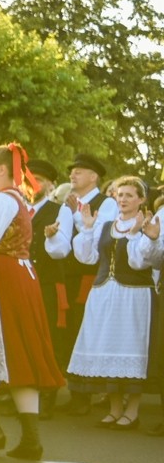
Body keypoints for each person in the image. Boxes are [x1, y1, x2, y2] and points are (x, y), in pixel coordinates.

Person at [0, 144, 65, 458]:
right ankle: (22, 437)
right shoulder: (15, 199)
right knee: (10, 351)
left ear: (2, 169)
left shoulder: (2, 200)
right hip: (16, 275)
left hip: (0, 277)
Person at [64, 175, 151, 429]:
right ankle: (115, 409)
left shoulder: (146, 226)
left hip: (133, 295)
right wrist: (87, 228)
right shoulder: (106, 226)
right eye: (119, 195)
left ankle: (132, 411)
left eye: (129, 195)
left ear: (141, 200)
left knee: (131, 349)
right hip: (103, 293)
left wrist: (135, 234)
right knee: (108, 347)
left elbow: (140, 262)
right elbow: (87, 258)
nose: (122, 199)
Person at [44, 154, 116, 416]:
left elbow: (98, 240)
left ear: (94, 177)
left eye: (80, 171)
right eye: (72, 171)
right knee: (65, 332)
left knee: (84, 331)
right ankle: (69, 391)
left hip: (90, 277)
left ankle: (84, 394)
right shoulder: (67, 205)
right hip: (67, 276)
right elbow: (61, 248)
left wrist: (76, 215)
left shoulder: (107, 203)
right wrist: (52, 237)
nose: (73, 175)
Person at [25, 158, 64, 416]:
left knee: (48, 337)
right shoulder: (18, 208)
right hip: (22, 280)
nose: (33, 184)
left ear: (51, 185)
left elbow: (62, 250)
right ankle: (25, 392)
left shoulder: (59, 211)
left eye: (39, 180)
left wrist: (51, 238)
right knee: (24, 336)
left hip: (47, 281)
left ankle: (48, 394)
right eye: (29, 179)